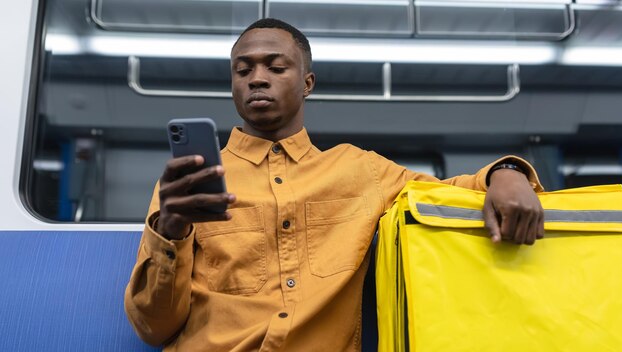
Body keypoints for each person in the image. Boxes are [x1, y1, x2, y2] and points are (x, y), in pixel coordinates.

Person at [125, 18, 544, 351]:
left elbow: (455, 189)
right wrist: (172, 229)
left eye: (275, 66)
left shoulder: (361, 172)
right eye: (243, 69)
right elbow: (153, 326)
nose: (257, 77)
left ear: (307, 83)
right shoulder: (190, 184)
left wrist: (507, 172)